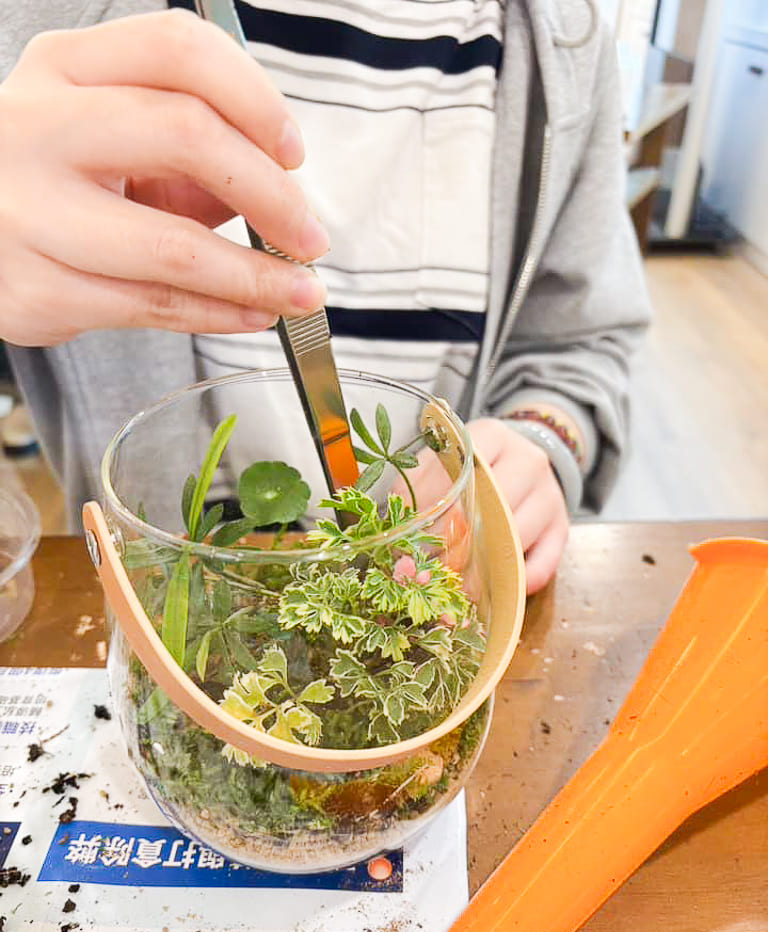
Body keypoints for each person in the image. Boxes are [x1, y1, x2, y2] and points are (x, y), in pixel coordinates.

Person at [0, 0, 650, 593]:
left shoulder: (563, 40)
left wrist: (540, 438)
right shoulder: (40, 22)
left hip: (427, 608)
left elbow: (579, 343)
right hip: (161, 626)